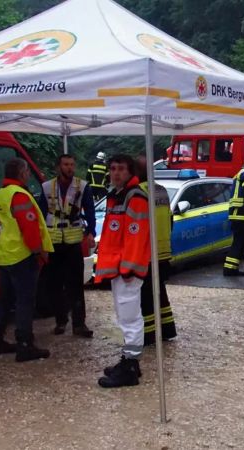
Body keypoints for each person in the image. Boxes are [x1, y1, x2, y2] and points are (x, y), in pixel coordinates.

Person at [0, 158, 54, 362]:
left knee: (3, 301)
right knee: (25, 302)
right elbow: (30, 228)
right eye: (26, 172)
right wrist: (39, 252)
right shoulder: (19, 196)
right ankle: (25, 345)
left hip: (3, 256)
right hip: (21, 256)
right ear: (22, 173)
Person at [94, 154, 151, 388]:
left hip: (127, 269)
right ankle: (130, 362)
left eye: (120, 169)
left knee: (129, 318)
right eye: (113, 168)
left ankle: (130, 365)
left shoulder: (134, 197)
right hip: (119, 268)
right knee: (124, 316)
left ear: (130, 172)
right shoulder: (117, 196)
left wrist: (129, 267)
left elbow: (136, 237)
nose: (115, 173)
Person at [37, 154, 96, 338]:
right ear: (58, 167)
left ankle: (79, 324)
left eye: (72, 164)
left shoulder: (83, 186)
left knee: (75, 284)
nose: (70, 168)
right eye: (66, 164)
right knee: (54, 285)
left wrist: (90, 232)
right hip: (54, 242)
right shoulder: (47, 187)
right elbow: (40, 214)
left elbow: (90, 210)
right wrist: (42, 244)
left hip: (72, 242)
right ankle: (61, 320)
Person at [136, 156, 177, 344]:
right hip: (163, 250)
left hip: (146, 252)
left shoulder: (138, 192)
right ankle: (167, 329)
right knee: (159, 292)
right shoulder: (161, 190)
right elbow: (170, 219)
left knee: (145, 296)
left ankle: (149, 334)